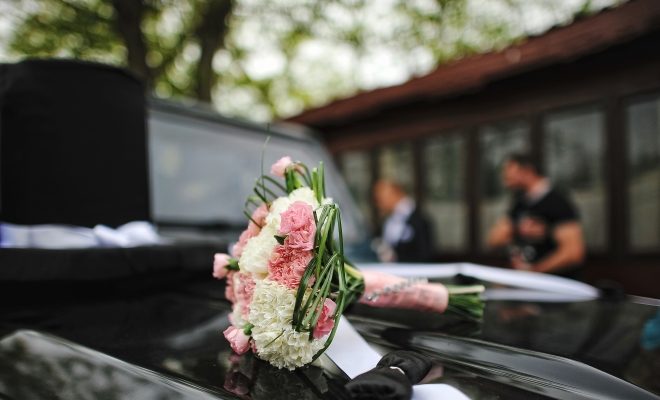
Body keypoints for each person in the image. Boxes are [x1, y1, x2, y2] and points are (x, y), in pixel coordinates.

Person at [487, 153, 585, 278]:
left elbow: (573, 254)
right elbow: (495, 240)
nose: (505, 176)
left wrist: (534, 271)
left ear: (527, 171)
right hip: (527, 282)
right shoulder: (520, 203)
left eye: (509, 169)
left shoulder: (557, 203)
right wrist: (519, 230)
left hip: (555, 284)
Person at [372, 180, 433, 263]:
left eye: (381, 198)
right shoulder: (388, 220)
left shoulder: (419, 221)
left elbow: (424, 254)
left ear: (395, 194)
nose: (379, 203)